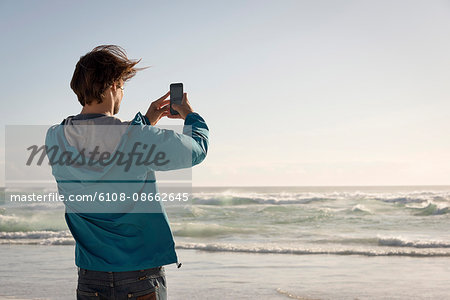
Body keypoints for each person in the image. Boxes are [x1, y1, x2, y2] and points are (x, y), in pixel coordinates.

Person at [45, 45, 209, 299]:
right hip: (139, 274)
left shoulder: (54, 136)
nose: (122, 93)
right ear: (112, 85)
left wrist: (145, 121)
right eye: (122, 86)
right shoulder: (137, 139)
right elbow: (195, 151)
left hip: (90, 275)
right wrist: (191, 116)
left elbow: (101, 144)